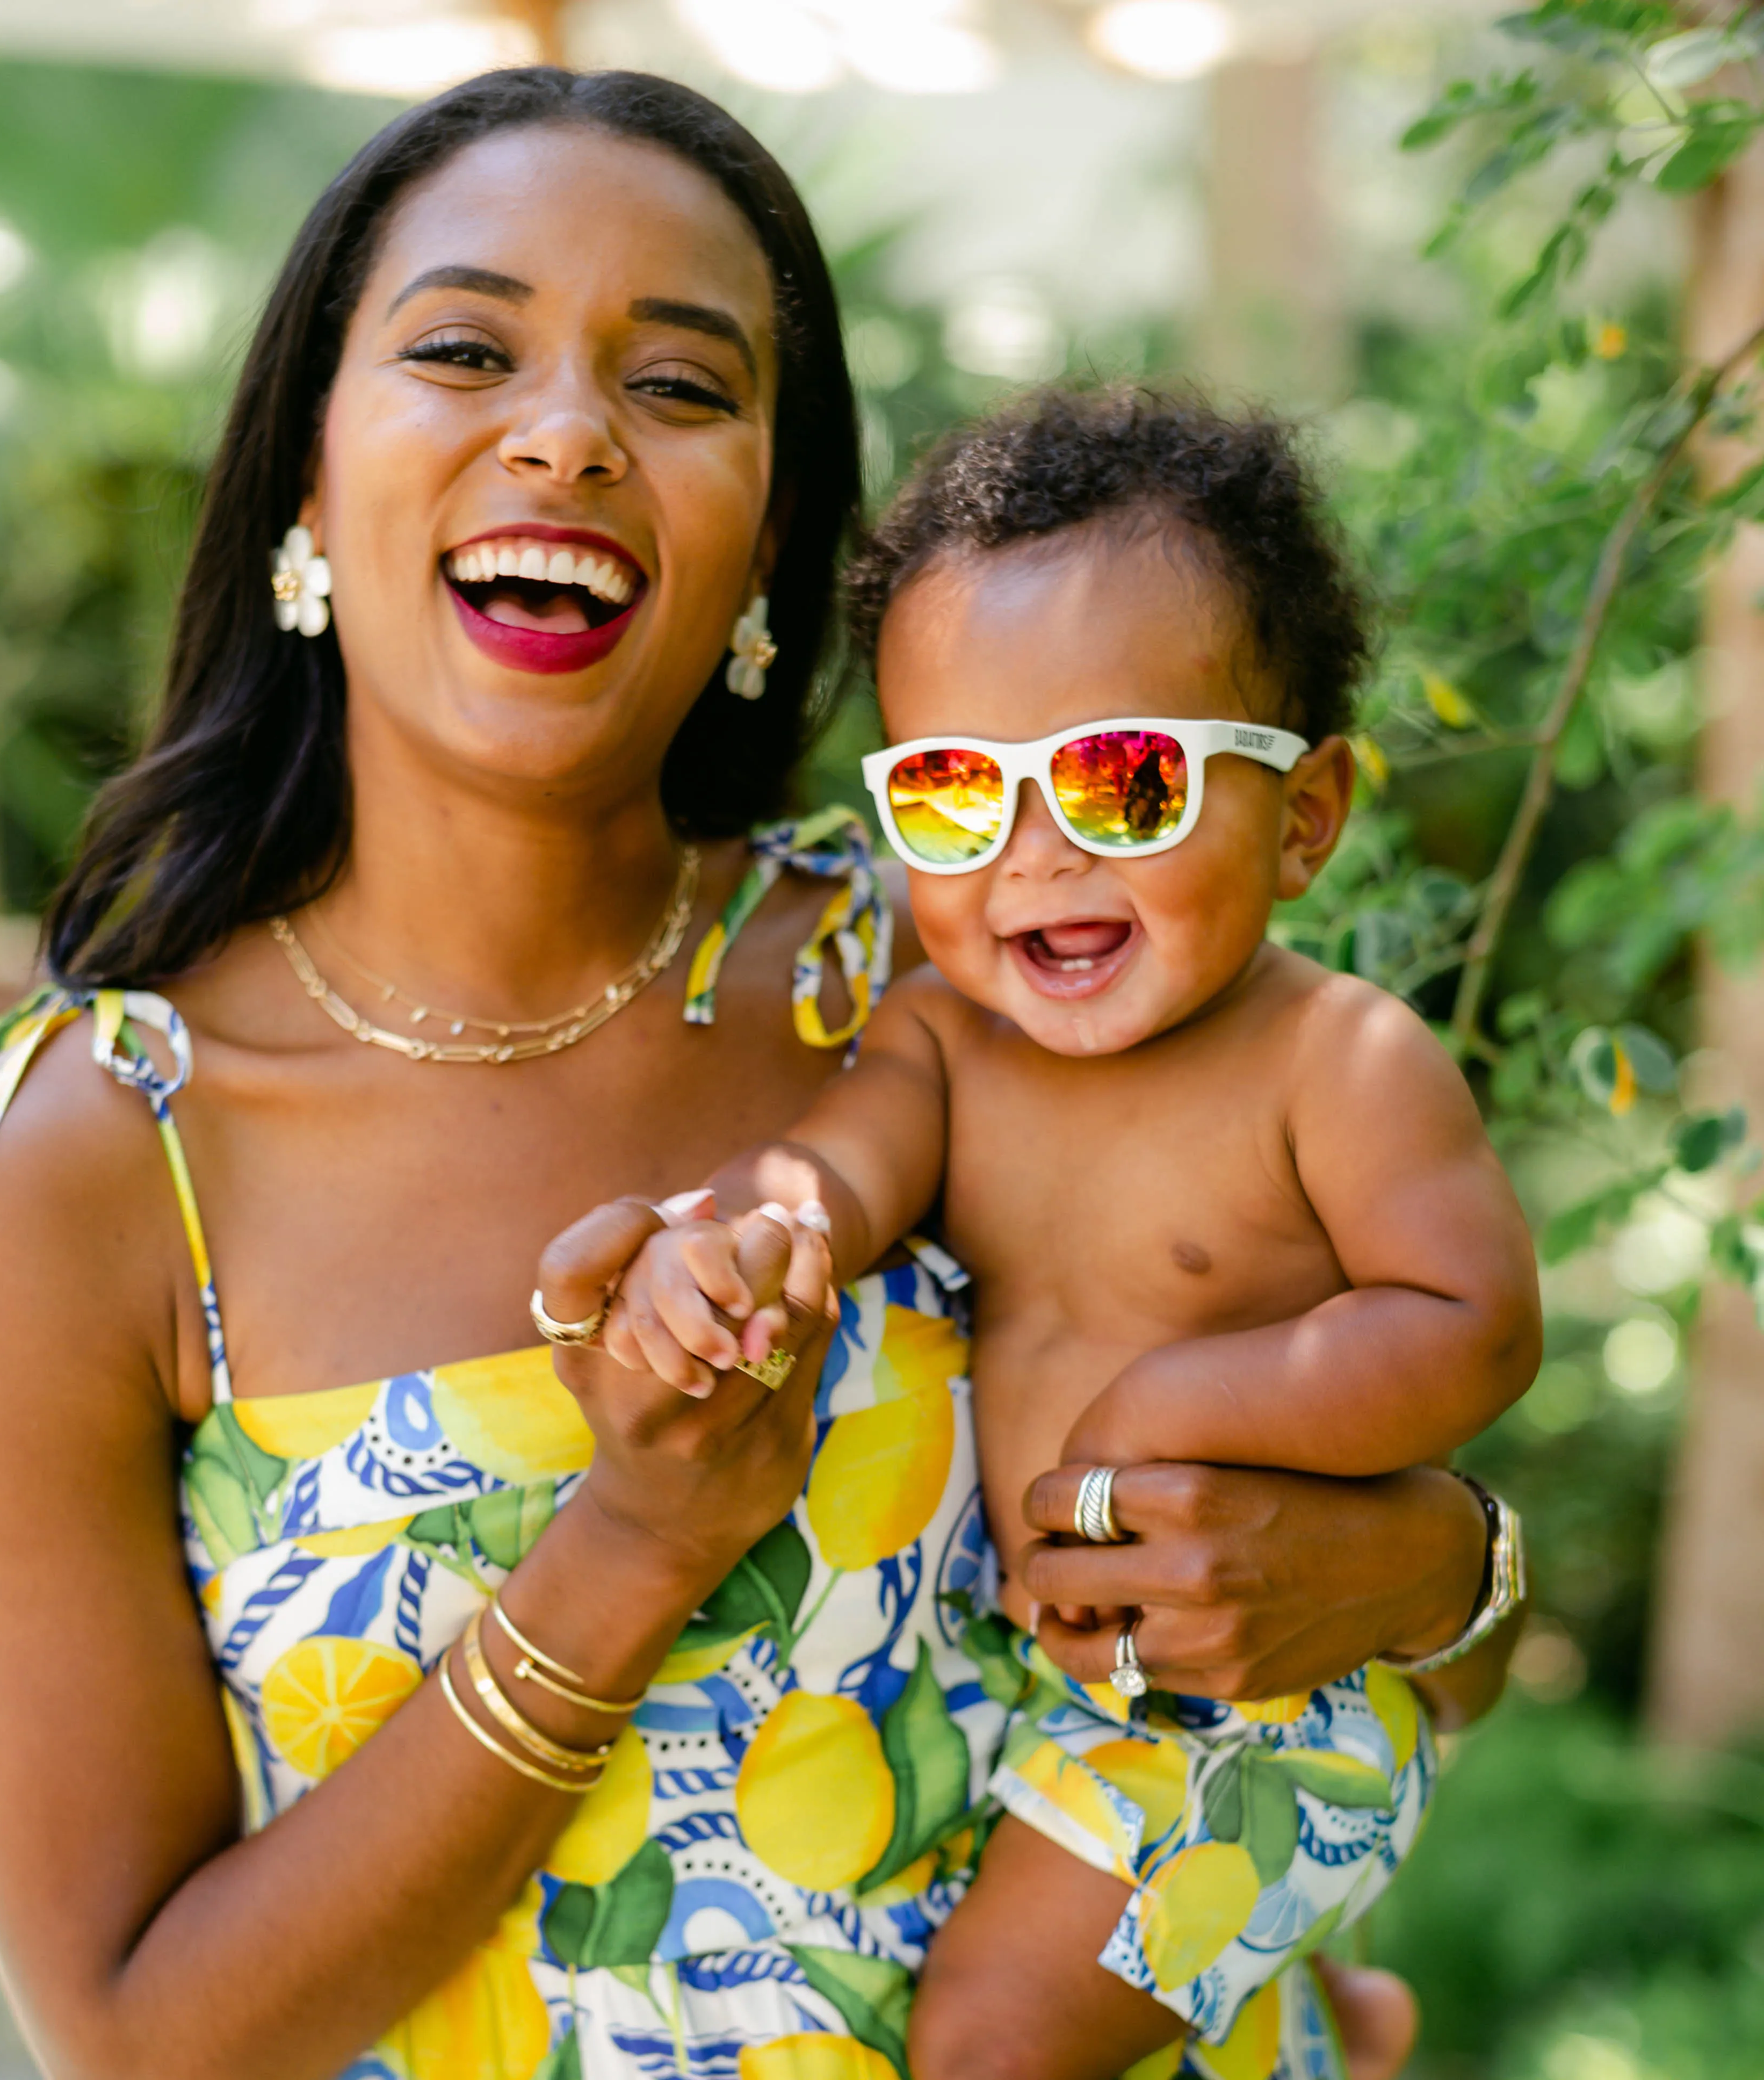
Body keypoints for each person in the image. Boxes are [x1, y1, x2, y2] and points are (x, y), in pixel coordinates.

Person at [0, 70, 1515, 2080]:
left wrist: (1449, 1569)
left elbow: (1415, 1628)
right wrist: (633, 1544)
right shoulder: (77, 1165)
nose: (565, 433)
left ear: (769, 548)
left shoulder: (972, 962)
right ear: (306, 479)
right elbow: (142, 2039)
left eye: (680, 386)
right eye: (466, 349)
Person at [589, 388, 1539, 2080]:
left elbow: (1471, 1324)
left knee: (993, 2041)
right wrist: (733, 1243)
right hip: (1046, 1690)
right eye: (956, 796)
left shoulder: (1339, 1062)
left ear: (1305, 816)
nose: (1035, 857)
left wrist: (1181, 1415)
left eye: (1120, 781)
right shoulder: (945, 1046)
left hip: (1275, 1702)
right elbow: (833, 1173)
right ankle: (1336, 2018)